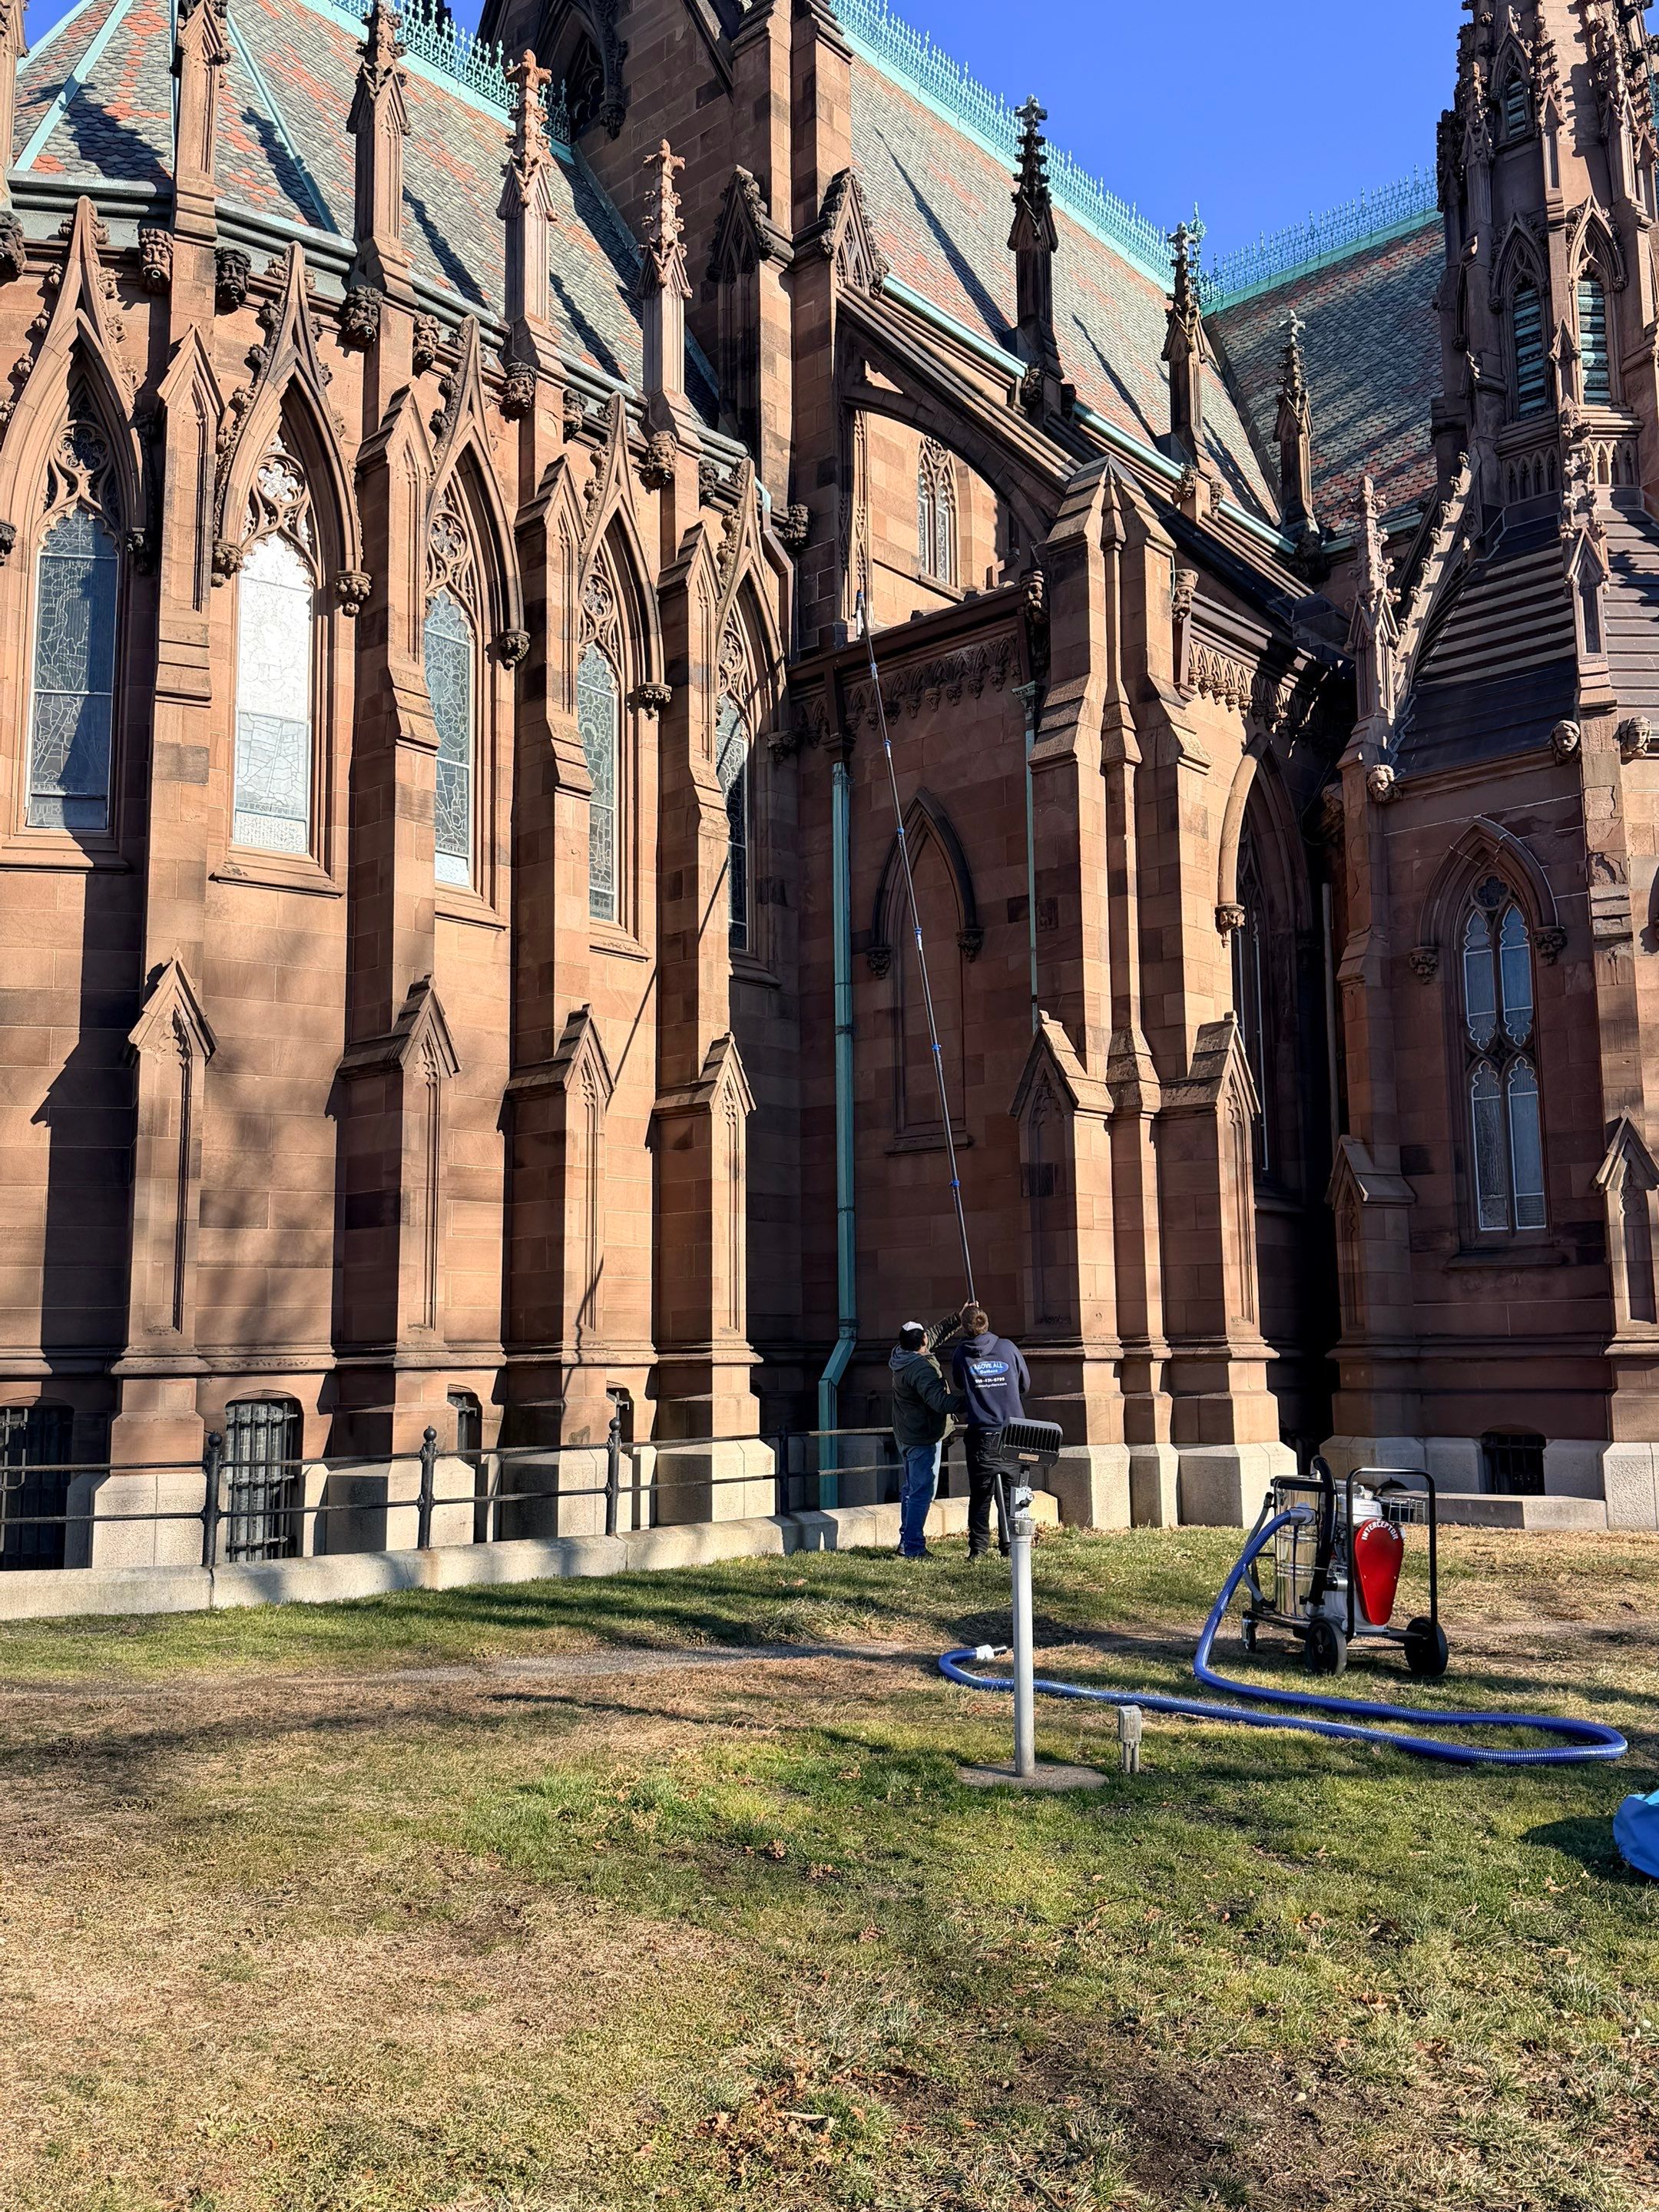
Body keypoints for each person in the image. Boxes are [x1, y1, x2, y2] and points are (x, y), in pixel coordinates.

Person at [889, 1310, 970, 1560]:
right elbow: (940, 1402)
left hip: (906, 1434)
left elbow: (932, 1335)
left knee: (911, 1489)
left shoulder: (900, 1354)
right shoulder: (921, 1369)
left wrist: (959, 1316)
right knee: (922, 1492)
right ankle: (913, 1547)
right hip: (922, 1438)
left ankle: (907, 1542)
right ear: (922, 1341)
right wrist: (975, 1399)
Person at [951, 1306, 1031, 1560]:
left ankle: (978, 1549)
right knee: (1011, 1495)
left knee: (981, 1494)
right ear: (986, 1323)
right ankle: (1010, 1546)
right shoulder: (1008, 1348)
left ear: (965, 1328)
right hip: (1012, 1431)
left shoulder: (961, 1353)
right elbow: (1024, 1384)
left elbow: (958, 1383)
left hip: (982, 1433)